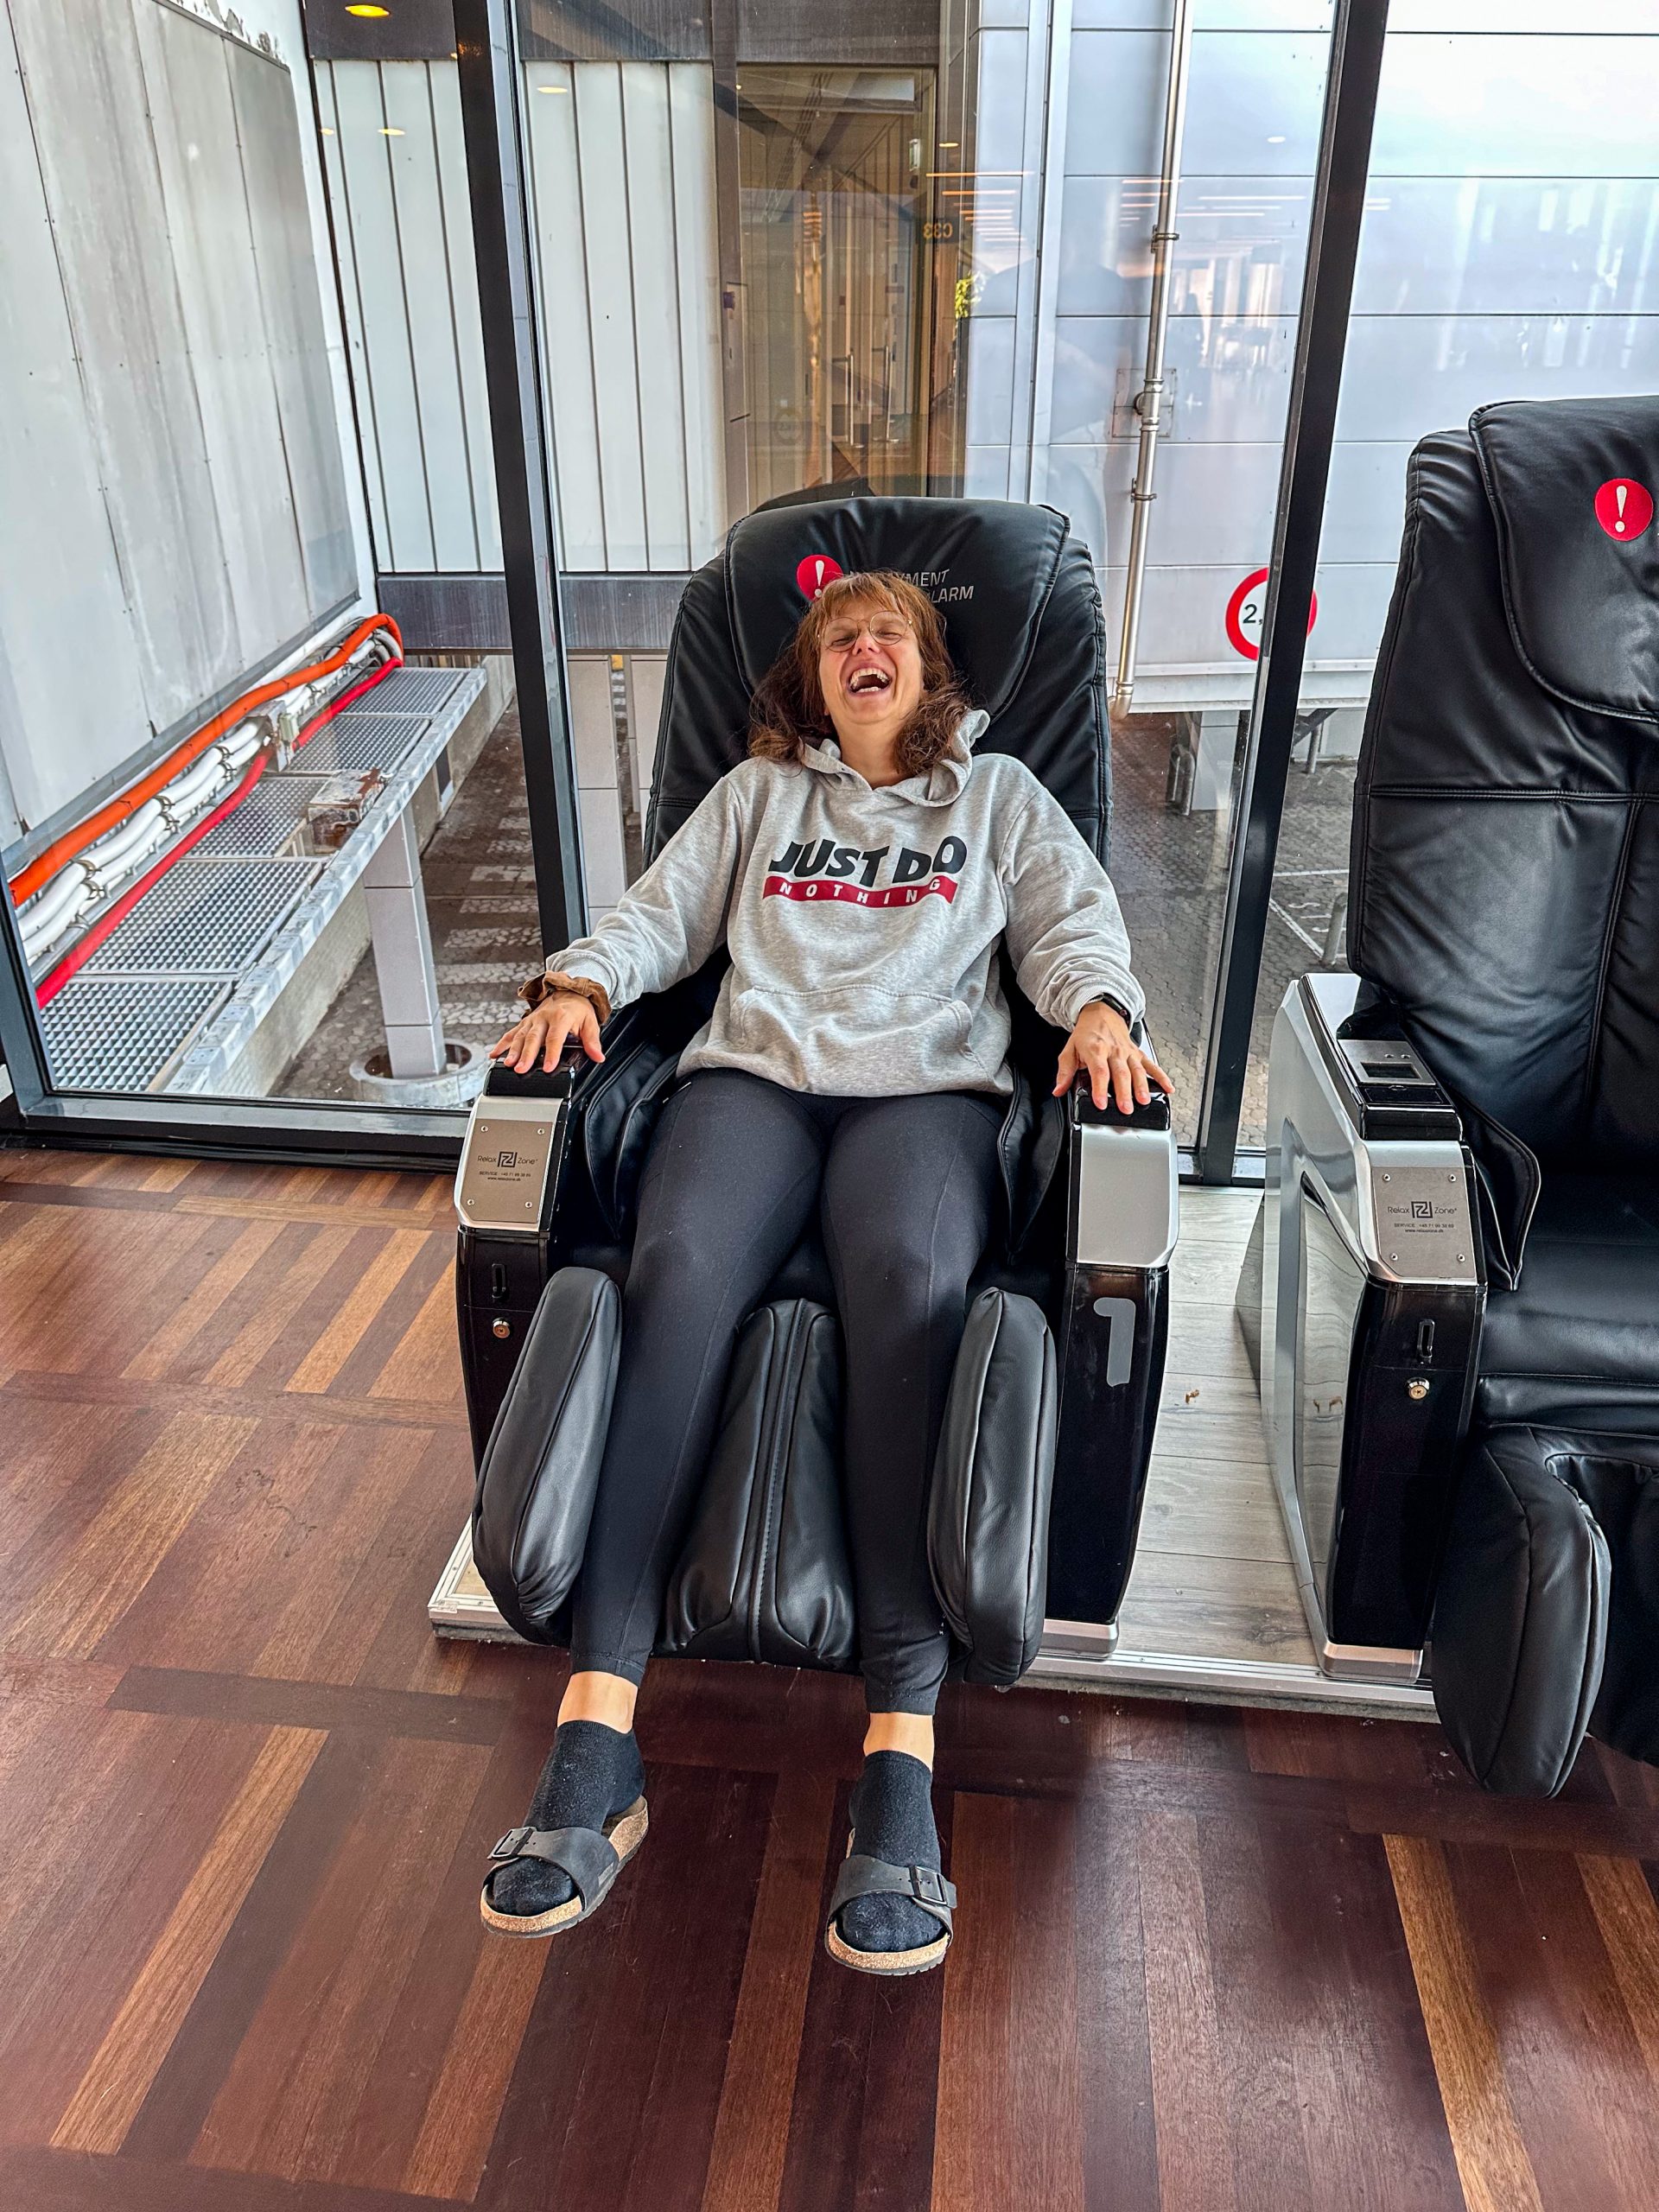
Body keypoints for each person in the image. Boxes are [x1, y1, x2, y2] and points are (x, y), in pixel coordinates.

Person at [480, 570, 1169, 1976]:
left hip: (926, 1097)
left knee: (907, 1297)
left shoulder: (999, 798)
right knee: (675, 1278)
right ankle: (597, 1741)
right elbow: (660, 916)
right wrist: (580, 983)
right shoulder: (755, 798)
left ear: (930, 673)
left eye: (890, 634)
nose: (865, 647)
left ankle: (899, 1755)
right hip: (754, 1084)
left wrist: (1100, 1013)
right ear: (811, 677)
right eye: (839, 636)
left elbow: (1068, 927)